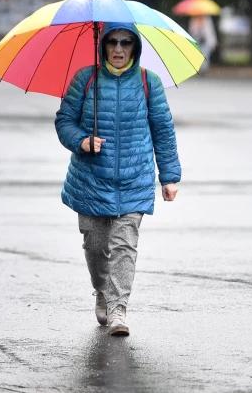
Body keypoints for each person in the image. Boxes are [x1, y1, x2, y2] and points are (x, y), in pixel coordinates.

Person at [55, 22, 181, 336]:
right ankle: (101, 290)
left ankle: (118, 310)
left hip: (135, 179)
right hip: (90, 180)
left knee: (124, 245)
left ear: (136, 47)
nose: (119, 49)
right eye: (112, 42)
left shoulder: (149, 82)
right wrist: (82, 141)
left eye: (126, 42)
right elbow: (64, 121)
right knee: (96, 246)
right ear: (104, 45)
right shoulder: (85, 79)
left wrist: (169, 176)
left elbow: (163, 132)